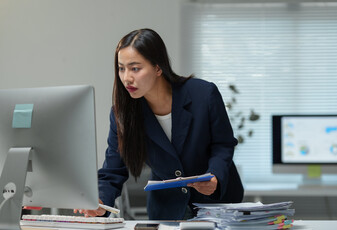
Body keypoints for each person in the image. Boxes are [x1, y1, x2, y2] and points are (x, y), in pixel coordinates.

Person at [75, 28, 244, 220]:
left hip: (216, 205)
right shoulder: (122, 113)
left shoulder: (204, 94)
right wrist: (101, 202)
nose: (126, 77)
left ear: (157, 67)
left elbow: (223, 144)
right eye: (121, 68)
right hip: (166, 210)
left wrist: (214, 177)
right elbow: (113, 169)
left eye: (135, 68)